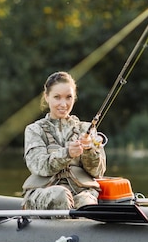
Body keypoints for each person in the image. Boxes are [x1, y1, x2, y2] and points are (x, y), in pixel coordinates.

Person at [21, 71, 106, 211]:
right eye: (57, 97)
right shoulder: (34, 130)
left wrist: (89, 150)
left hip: (81, 192)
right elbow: (39, 166)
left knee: (86, 203)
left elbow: (97, 172)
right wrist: (68, 153)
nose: (63, 104)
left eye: (68, 97)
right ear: (46, 97)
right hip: (43, 193)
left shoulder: (86, 129)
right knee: (59, 195)